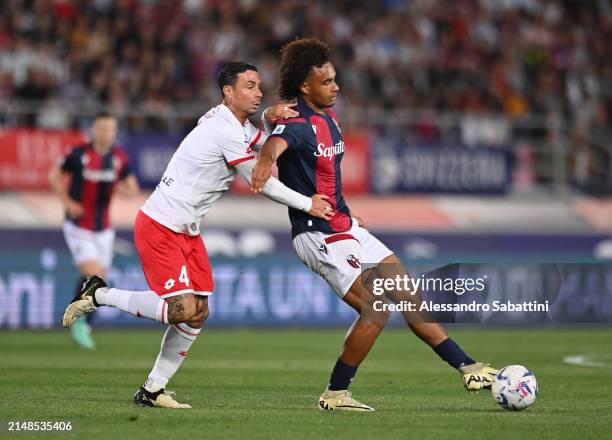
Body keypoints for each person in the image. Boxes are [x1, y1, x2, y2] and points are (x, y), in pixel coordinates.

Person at [61, 62, 333, 409]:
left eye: (259, 86)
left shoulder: (233, 123)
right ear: (228, 92)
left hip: (187, 229)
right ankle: (98, 294)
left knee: (198, 312)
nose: (259, 92)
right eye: (250, 86)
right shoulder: (224, 130)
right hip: (160, 223)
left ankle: (152, 390)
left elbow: (265, 145)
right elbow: (260, 178)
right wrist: (307, 203)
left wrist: (267, 119)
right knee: (179, 308)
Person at [251, 38, 497, 412]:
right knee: (376, 308)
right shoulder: (296, 122)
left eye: (335, 79)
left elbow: (326, 178)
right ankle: (335, 394)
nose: (336, 87)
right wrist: (265, 162)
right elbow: (274, 147)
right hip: (318, 236)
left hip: (345, 226)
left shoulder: (328, 117)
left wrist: (348, 216)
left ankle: (469, 367)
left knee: (408, 293)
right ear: (305, 86)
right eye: (327, 81)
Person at [49, 112, 139, 349]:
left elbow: (132, 187)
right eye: (101, 129)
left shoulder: (119, 158)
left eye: (110, 130)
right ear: (94, 130)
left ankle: (85, 323)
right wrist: (68, 203)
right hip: (78, 225)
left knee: (100, 280)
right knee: (92, 272)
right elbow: (55, 176)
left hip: (103, 228)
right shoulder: (78, 154)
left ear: (114, 132)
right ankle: (78, 320)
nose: (106, 134)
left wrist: (124, 188)